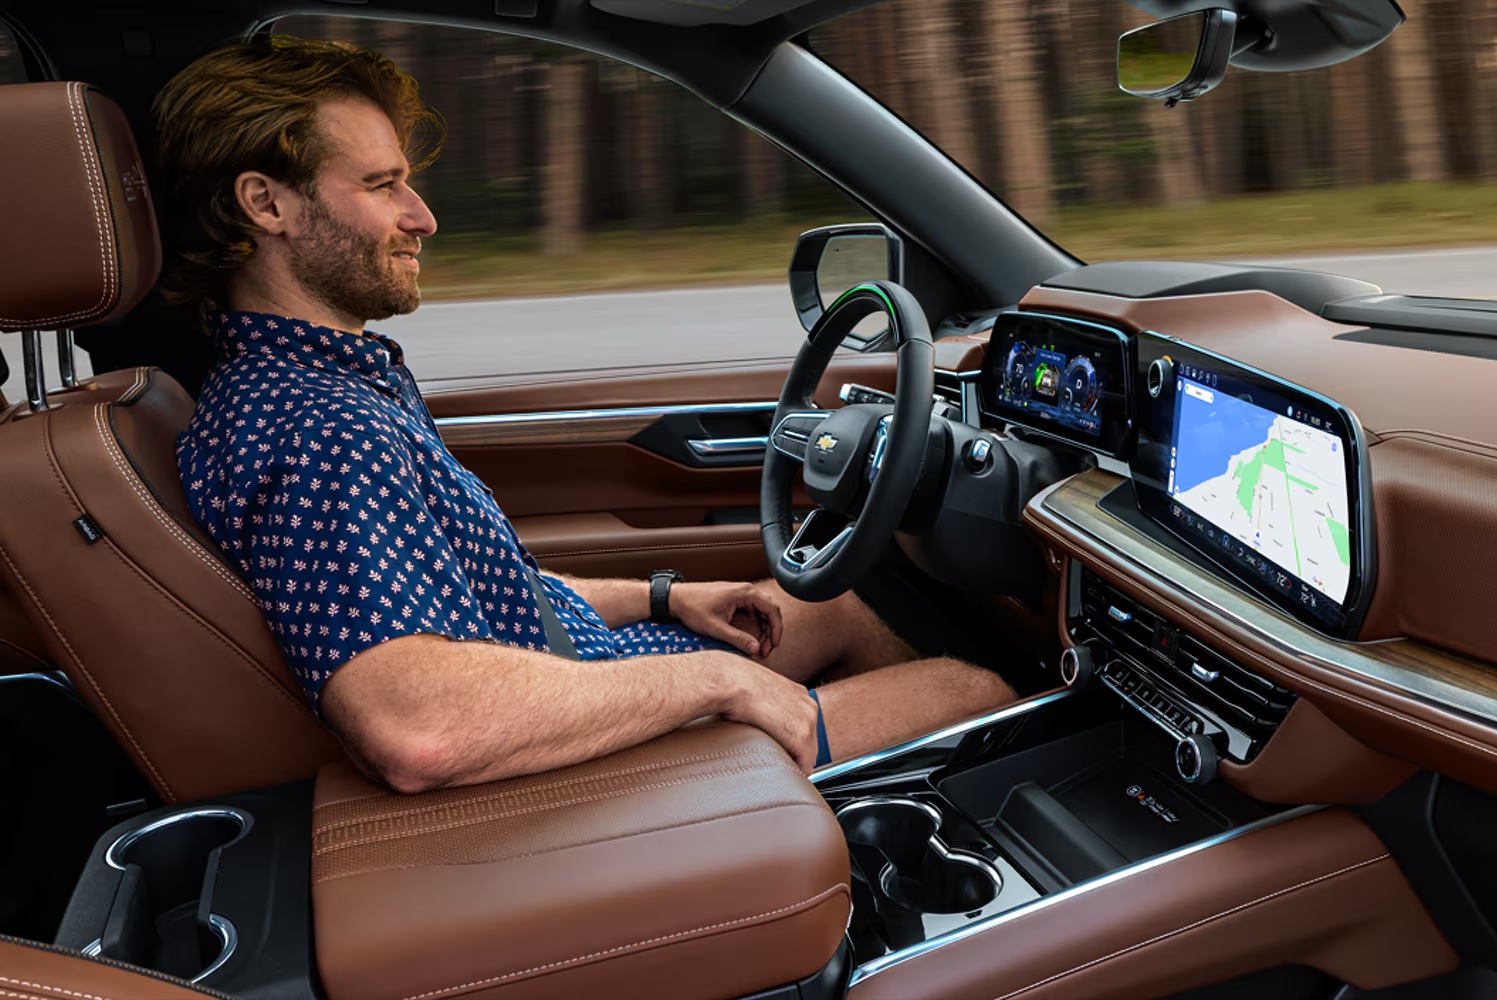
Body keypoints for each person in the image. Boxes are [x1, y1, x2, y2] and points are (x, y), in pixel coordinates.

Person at [159, 35, 1016, 793]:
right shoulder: (315, 428)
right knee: (965, 696)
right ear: (266, 205)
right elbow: (417, 727)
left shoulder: (325, 381)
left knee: (830, 606)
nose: (422, 217)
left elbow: (484, 595)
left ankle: (836, 819)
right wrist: (722, 687)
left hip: (561, 674)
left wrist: (664, 596)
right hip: (571, 763)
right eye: (383, 186)